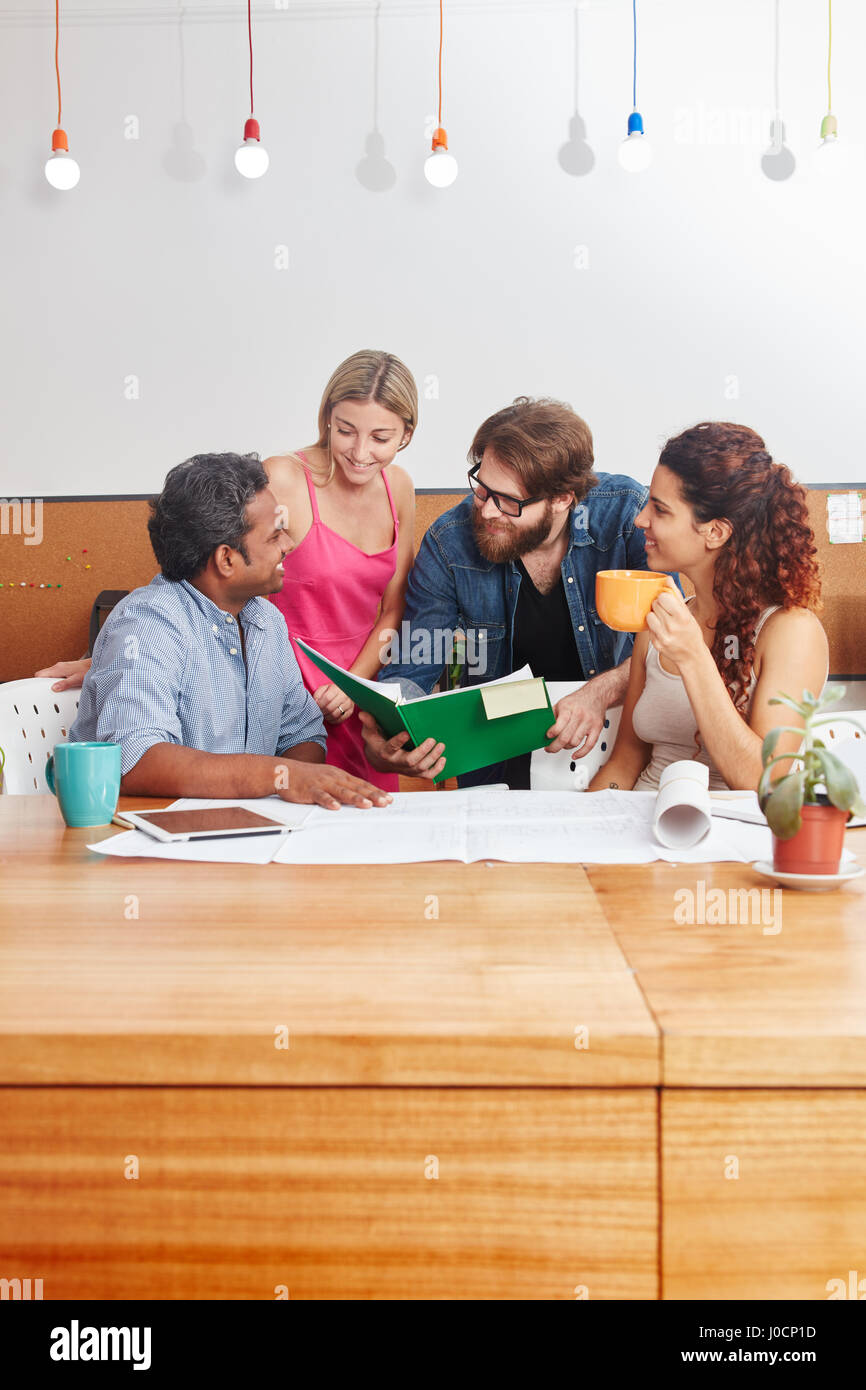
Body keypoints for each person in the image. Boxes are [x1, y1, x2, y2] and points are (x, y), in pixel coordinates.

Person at [39, 350, 416, 792]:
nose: (360, 451)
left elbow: (301, 732)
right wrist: (120, 656)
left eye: (380, 437)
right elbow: (200, 554)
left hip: (347, 693)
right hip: (282, 692)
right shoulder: (158, 621)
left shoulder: (264, 624)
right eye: (347, 430)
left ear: (405, 434)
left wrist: (300, 767)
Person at [359, 396, 661, 788]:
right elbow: (417, 662)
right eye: (483, 490)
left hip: (612, 743)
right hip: (494, 755)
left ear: (562, 499)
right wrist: (390, 728)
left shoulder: (626, 516)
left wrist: (599, 692)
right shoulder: (449, 542)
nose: (485, 511)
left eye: (507, 502)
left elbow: (666, 644)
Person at [68, 453, 392, 810]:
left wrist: (293, 788)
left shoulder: (267, 620)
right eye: (275, 535)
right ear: (226, 560)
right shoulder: (147, 623)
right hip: (162, 849)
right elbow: (136, 761)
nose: (289, 544)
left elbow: (303, 734)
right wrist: (282, 777)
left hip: (251, 840)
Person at [587, 422, 828, 793]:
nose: (640, 520)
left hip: (729, 843)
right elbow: (624, 763)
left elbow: (763, 782)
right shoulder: (657, 623)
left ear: (715, 532)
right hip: (638, 831)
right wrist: (581, 827)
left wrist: (694, 657)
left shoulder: (790, 630)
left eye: (660, 510)